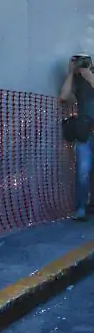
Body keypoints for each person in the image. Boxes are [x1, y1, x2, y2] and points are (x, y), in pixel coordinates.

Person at [59, 54, 94, 221]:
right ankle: (80, 209)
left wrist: (91, 77)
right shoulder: (78, 82)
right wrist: (71, 73)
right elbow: (64, 97)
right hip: (85, 132)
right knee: (82, 172)